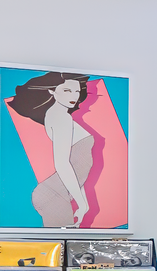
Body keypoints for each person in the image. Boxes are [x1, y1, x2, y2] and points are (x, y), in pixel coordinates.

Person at [7, 71, 95, 226]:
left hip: (57, 193)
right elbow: (62, 163)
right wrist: (81, 203)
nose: (73, 96)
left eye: (76, 91)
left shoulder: (58, 115)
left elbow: (75, 170)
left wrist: (83, 202)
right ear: (52, 91)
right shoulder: (61, 117)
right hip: (54, 195)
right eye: (67, 90)